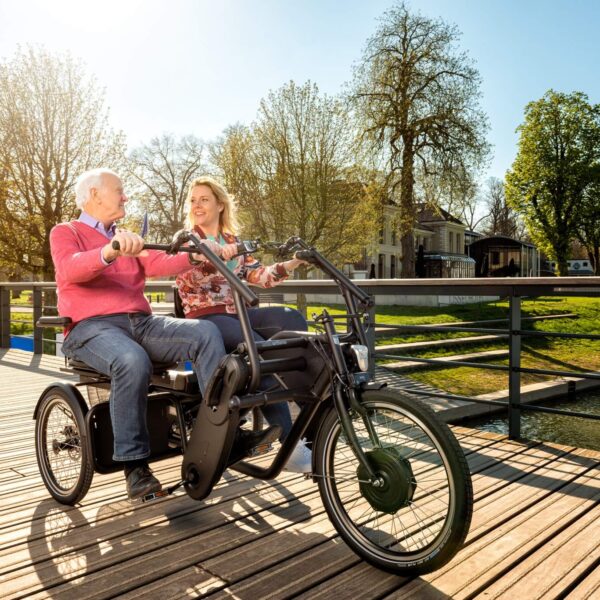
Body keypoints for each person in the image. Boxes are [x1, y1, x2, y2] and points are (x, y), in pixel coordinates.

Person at [50, 168, 279, 500]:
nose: (125, 196)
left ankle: (220, 435)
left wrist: (198, 254)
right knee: (131, 360)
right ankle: (135, 467)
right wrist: (110, 251)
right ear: (95, 195)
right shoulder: (66, 232)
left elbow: (160, 263)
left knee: (204, 332)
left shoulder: (129, 236)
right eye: (119, 190)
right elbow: (71, 268)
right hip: (90, 327)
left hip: (139, 323)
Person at [175, 176, 312, 473]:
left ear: (220, 205)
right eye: (193, 200)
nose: (197, 205)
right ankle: (290, 445)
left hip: (238, 312)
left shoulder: (233, 241)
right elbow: (186, 274)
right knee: (257, 348)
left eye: (204, 199)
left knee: (291, 322)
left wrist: (289, 265)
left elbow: (257, 275)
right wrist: (208, 256)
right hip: (207, 316)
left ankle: (313, 422)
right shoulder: (188, 240)